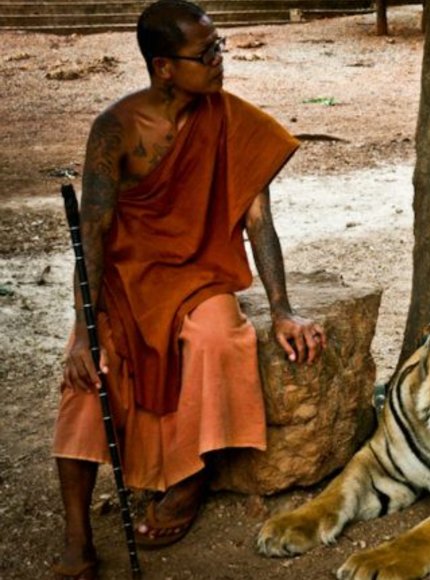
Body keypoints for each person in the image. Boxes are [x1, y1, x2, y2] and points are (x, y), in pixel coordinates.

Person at [52, 1, 325, 577]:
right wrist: (83, 332)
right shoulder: (116, 129)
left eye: (219, 45)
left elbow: (258, 221)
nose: (219, 60)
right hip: (129, 283)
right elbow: (93, 237)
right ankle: (76, 534)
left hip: (201, 273)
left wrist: (282, 310)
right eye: (206, 54)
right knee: (87, 376)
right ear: (164, 67)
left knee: (221, 339)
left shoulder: (232, 120)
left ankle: (188, 479)